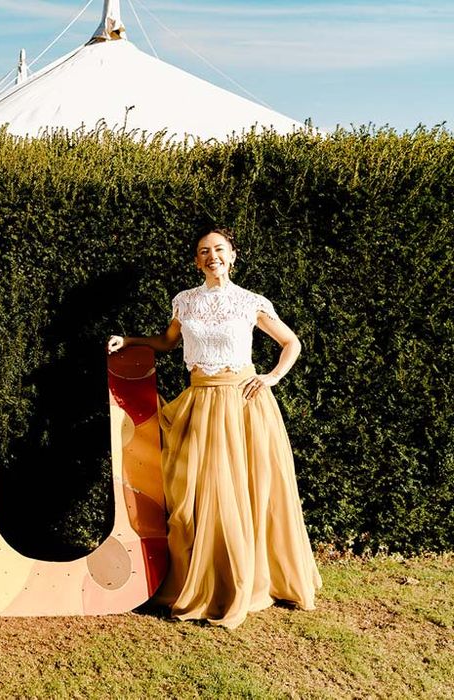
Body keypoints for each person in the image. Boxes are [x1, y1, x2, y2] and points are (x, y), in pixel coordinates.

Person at [107, 228, 321, 629]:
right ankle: (203, 579)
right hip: (200, 404)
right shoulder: (184, 301)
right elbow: (168, 343)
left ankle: (244, 581)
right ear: (196, 260)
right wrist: (129, 340)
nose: (212, 256)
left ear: (233, 255)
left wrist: (272, 377)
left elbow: (290, 343)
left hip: (242, 405)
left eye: (219, 249)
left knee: (243, 491)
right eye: (204, 251)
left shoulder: (250, 302)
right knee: (191, 493)